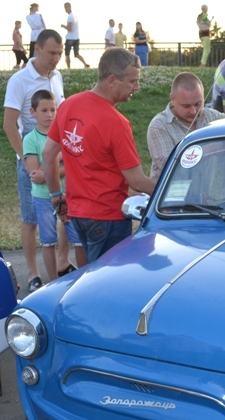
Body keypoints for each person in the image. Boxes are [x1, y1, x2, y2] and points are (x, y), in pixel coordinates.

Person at [42, 48, 156, 263]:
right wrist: (171, 194)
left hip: (77, 215)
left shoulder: (68, 105)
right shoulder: (117, 123)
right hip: (108, 217)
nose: (137, 87)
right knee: (109, 284)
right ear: (112, 80)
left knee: (92, 277)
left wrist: (56, 196)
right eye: (132, 81)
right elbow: (137, 182)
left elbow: (48, 154)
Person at [3, 29, 72, 292]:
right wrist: (28, 161)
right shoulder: (19, 81)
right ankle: (33, 273)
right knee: (31, 218)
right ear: (37, 50)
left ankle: (63, 263)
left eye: (60, 52)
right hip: (30, 163)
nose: (56, 58)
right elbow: (9, 126)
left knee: (65, 212)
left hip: (58, 161)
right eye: (52, 53)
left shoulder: (58, 78)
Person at [22, 89, 86, 279]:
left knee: (79, 240)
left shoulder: (66, 135)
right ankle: (53, 283)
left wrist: (52, 161)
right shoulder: (30, 139)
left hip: (69, 195)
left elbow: (72, 165)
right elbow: (35, 174)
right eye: (44, 110)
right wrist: (57, 158)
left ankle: (84, 279)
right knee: (48, 241)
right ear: (32, 112)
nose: (49, 115)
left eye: (53, 110)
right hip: (43, 198)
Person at [147, 72, 225, 181]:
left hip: (205, 197)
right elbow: (171, 167)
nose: (193, 111)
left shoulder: (214, 117)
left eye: (198, 104)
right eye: (186, 106)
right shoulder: (159, 126)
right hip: (171, 196)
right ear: (172, 99)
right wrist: (208, 149)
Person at [61, 3, 90, 69]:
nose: (65, 9)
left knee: (67, 54)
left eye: (66, 7)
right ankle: (85, 64)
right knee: (76, 54)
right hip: (76, 37)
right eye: (65, 7)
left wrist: (63, 26)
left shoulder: (70, 17)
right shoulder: (74, 16)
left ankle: (69, 67)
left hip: (70, 38)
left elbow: (69, 28)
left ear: (70, 7)